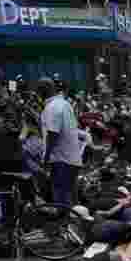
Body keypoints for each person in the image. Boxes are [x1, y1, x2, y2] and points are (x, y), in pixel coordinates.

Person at [38, 77, 84, 206]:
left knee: (62, 202)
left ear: (43, 91)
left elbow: (53, 134)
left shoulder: (52, 107)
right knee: (73, 201)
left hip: (61, 160)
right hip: (72, 159)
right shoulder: (64, 103)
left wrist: (46, 158)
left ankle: (66, 217)